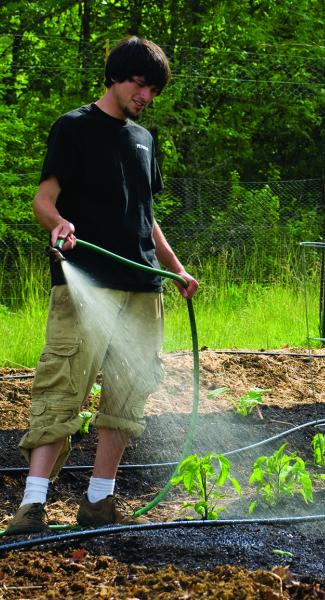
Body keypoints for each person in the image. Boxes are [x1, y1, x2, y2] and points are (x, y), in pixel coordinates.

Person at [6, 36, 199, 535]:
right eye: (140, 83)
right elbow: (44, 199)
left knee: (127, 394)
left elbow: (145, 218)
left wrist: (175, 269)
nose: (146, 96)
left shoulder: (144, 139)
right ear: (115, 76)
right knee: (63, 384)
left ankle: (98, 500)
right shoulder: (74, 128)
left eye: (153, 88)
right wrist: (59, 224)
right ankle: (31, 506)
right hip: (85, 282)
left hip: (142, 288)